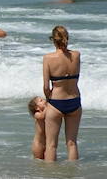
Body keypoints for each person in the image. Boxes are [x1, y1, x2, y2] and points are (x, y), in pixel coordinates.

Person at [40, 25, 81, 161]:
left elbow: (46, 86)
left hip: (56, 101)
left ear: (53, 40)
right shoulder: (76, 55)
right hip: (75, 101)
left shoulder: (48, 58)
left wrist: (48, 99)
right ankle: (73, 173)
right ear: (66, 38)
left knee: (51, 145)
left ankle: (51, 175)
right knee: (72, 143)